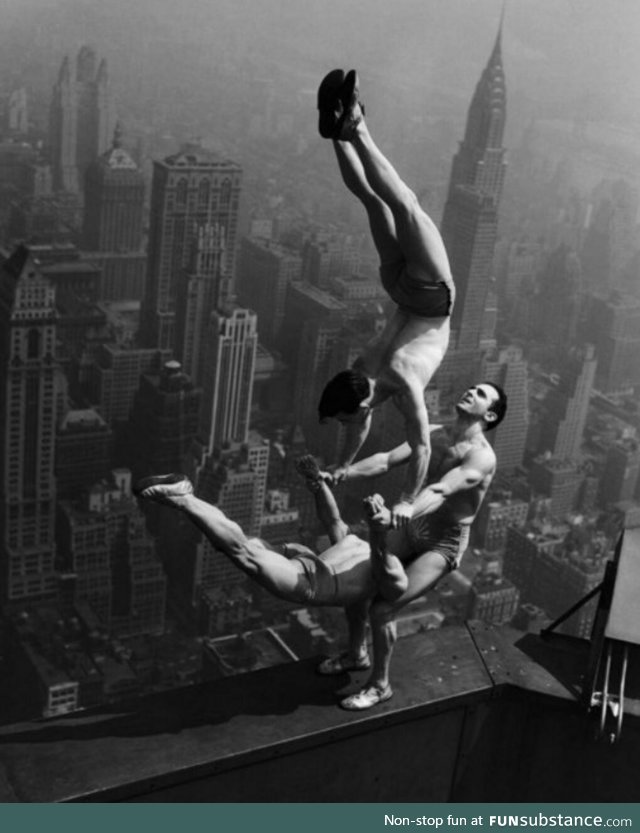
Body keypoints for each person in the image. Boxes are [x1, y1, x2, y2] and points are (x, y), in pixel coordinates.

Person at [135, 381, 507, 710]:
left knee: (383, 607)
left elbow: (441, 489)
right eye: (473, 387)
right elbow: (385, 460)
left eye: (481, 394)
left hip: (441, 541)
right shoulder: (438, 434)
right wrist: (341, 472)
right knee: (361, 581)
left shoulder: (482, 458)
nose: (471, 391)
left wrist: (400, 512)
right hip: (411, 523)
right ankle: (356, 654)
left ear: (489, 414)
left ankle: (380, 685)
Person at [316, 69, 455, 528]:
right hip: (400, 288)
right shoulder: (359, 371)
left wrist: (407, 500)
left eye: (341, 418)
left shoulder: (395, 380)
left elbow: (421, 446)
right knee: (383, 205)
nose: (345, 424)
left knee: (404, 206)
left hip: (429, 296)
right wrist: (341, 466)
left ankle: (354, 126)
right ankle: (342, 134)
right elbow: (365, 429)